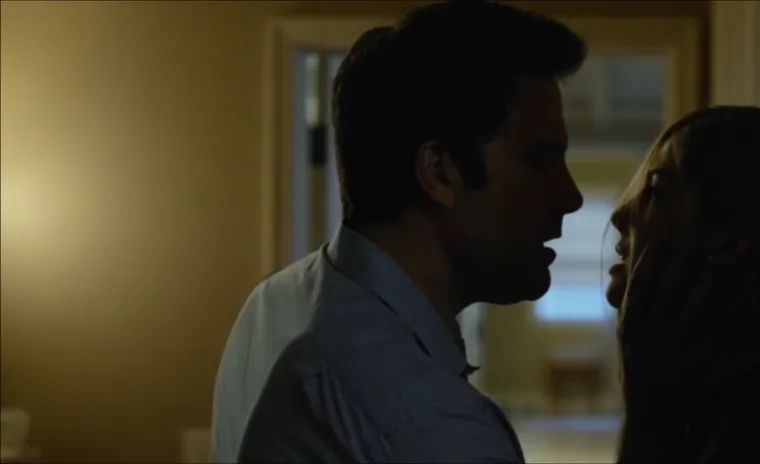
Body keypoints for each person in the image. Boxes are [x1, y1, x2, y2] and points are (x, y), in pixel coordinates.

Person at [210, 1, 586, 462]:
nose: (570, 197)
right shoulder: (431, 426)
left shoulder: (273, 302)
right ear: (439, 173)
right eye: (541, 161)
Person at [606, 106, 760, 462]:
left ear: (730, 241)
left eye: (658, 191)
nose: (620, 215)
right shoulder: (705, 410)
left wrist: (644, 429)